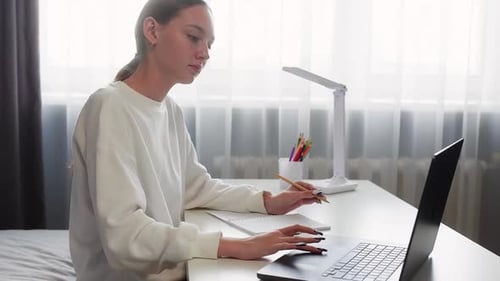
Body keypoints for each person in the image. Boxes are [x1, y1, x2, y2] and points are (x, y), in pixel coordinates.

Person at [69, 0, 325, 280]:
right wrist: (236, 246)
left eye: (209, 44)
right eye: (193, 37)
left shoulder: (170, 111)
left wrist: (267, 202)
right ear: (152, 31)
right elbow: (125, 236)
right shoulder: (109, 106)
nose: (204, 54)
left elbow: (196, 188)